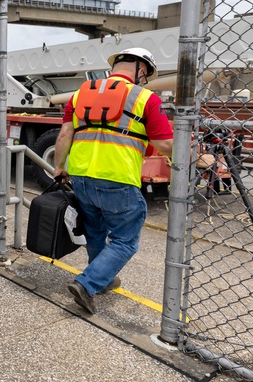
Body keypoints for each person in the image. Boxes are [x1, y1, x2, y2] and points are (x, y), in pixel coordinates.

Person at [52, 47, 174, 314]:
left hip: (82, 177)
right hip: (118, 178)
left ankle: (101, 279)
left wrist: (59, 167)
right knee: (125, 241)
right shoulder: (145, 98)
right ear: (140, 69)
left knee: (95, 231)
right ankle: (88, 283)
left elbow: (64, 134)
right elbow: (164, 143)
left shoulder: (81, 93)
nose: (146, 79)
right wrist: (193, 157)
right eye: (147, 74)